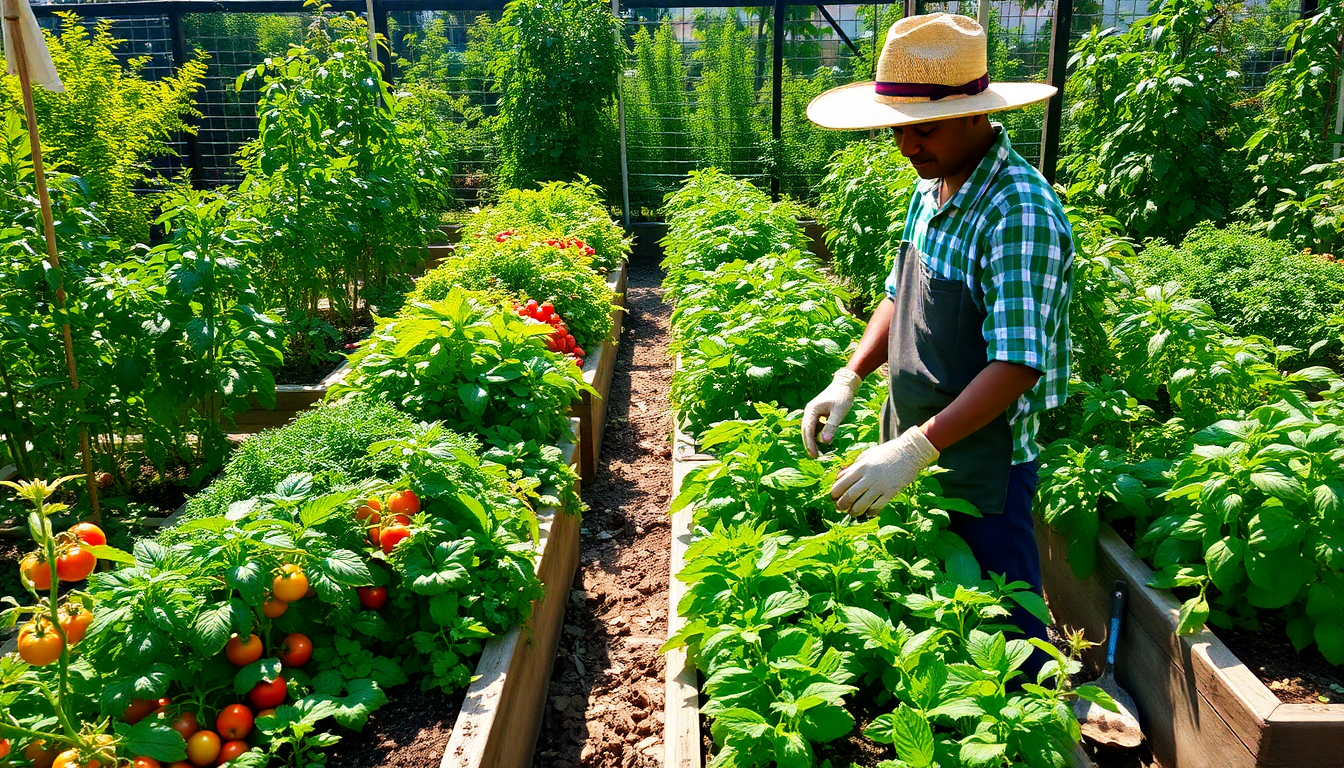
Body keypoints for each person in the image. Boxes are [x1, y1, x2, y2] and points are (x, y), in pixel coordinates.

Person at [801, 13, 1074, 670]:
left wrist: (915, 449)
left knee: (1007, 627)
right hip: (916, 442)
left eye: (923, 129)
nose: (906, 147)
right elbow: (902, 293)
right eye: (897, 130)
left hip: (984, 464)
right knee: (932, 605)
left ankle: (1040, 716)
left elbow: (1017, 363)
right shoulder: (934, 185)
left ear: (977, 116)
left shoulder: (1019, 212)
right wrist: (850, 376)